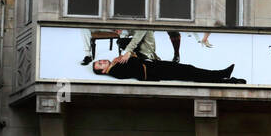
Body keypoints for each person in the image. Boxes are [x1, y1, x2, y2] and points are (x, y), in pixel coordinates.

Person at [91, 55, 244, 83]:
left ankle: (223, 77)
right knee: (190, 73)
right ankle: (222, 76)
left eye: (100, 61)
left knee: (190, 71)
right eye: (100, 64)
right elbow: (136, 67)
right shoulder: (116, 71)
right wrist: (128, 57)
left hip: (156, 67)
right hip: (156, 71)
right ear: (103, 71)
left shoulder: (116, 65)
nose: (102, 61)